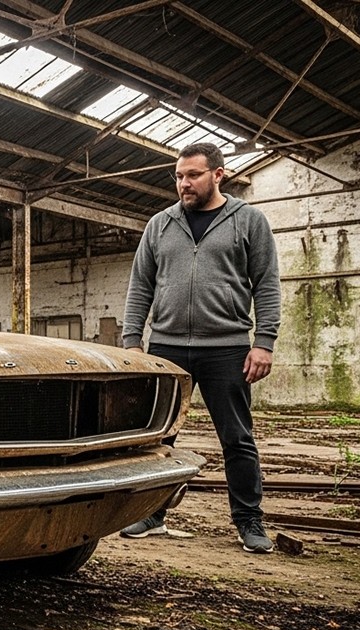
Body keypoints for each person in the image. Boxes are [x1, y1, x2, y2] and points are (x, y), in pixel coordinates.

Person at [119, 142, 281, 554]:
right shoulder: (160, 224)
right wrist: (131, 342)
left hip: (226, 347)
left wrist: (264, 343)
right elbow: (141, 285)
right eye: (178, 176)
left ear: (218, 174)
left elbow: (266, 284)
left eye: (193, 175)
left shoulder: (249, 221)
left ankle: (249, 521)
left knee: (237, 439)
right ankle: (153, 513)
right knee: (158, 439)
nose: (183, 183)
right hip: (166, 348)